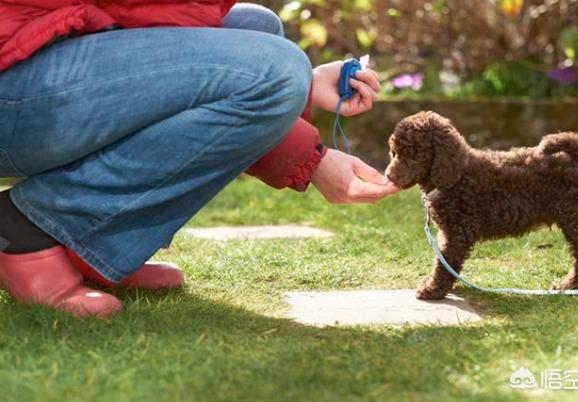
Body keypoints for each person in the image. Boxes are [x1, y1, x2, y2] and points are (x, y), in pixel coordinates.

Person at [0, 1, 399, 317]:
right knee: (276, 70)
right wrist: (313, 154)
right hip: (13, 82)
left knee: (257, 28)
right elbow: (158, 23)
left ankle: (87, 246)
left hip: (34, 57)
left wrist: (305, 90)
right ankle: (24, 230)